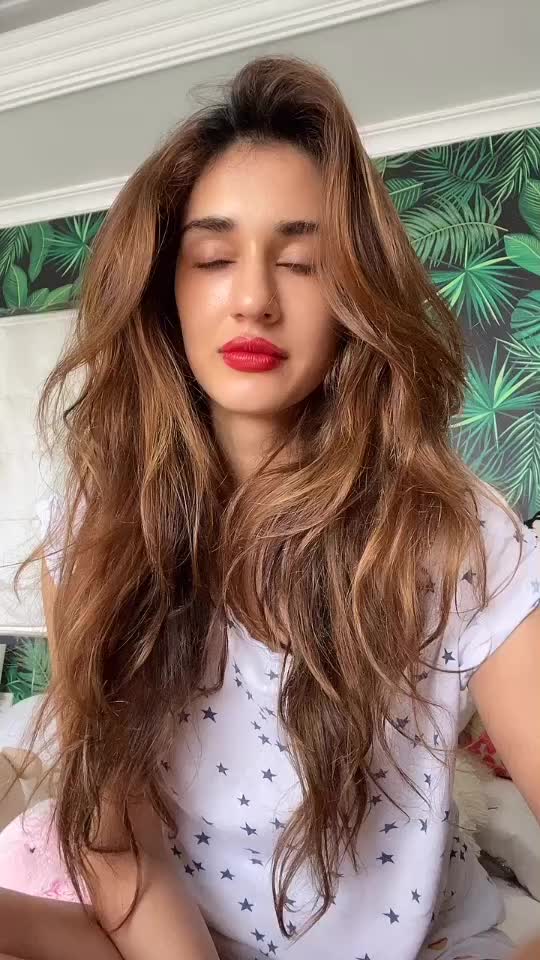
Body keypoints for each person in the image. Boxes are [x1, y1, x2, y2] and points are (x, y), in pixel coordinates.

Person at [2, 54, 539, 960]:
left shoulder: (456, 534)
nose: (253, 298)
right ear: (166, 291)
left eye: (301, 262)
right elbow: (120, 841)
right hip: (171, 931)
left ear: (356, 296)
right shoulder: (94, 522)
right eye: (213, 258)